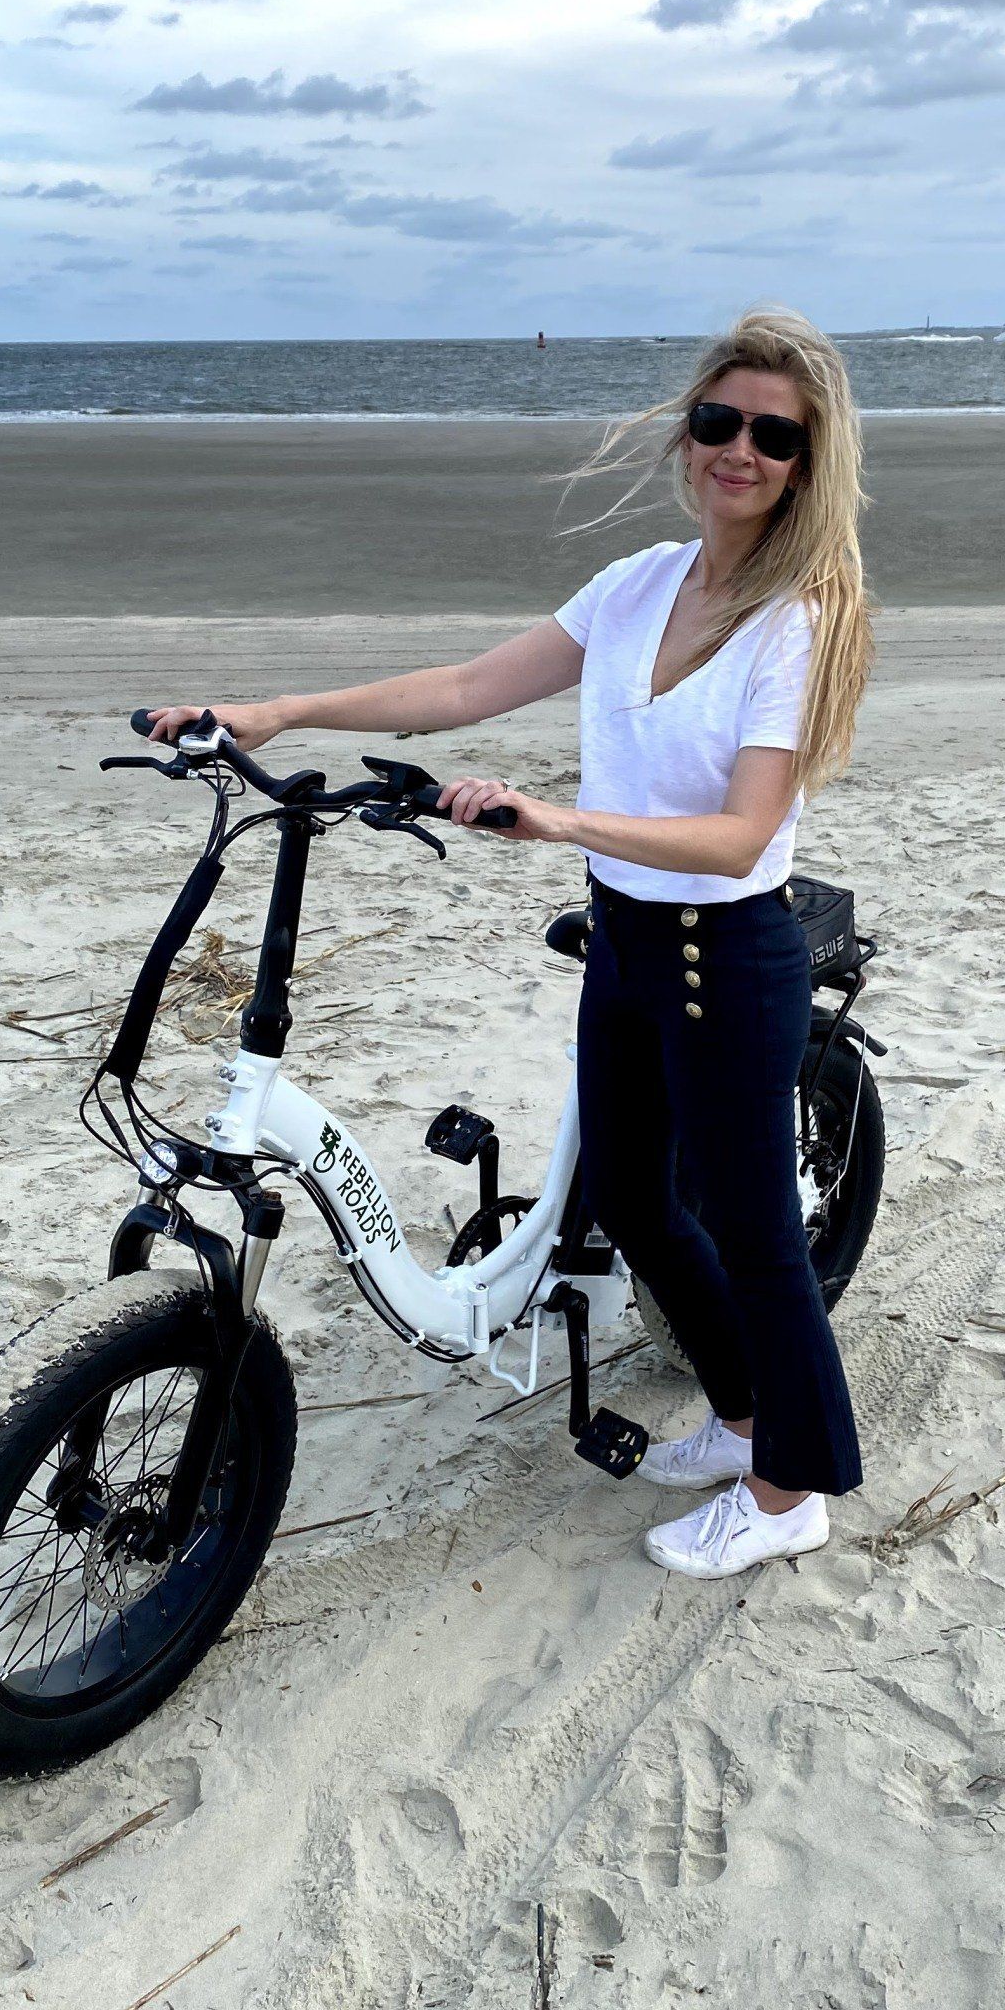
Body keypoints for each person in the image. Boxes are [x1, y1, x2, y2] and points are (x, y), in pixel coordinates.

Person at [141, 305, 875, 1579]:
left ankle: (789, 1487)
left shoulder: (796, 623)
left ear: (808, 464)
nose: (739, 450)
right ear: (687, 432)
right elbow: (471, 688)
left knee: (756, 1231)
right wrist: (277, 708)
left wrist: (555, 819)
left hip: (726, 954)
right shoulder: (643, 583)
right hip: (630, 945)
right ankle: (746, 1413)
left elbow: (742, 829)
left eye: (774, 435)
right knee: (640, 1202)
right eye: (720, 421)